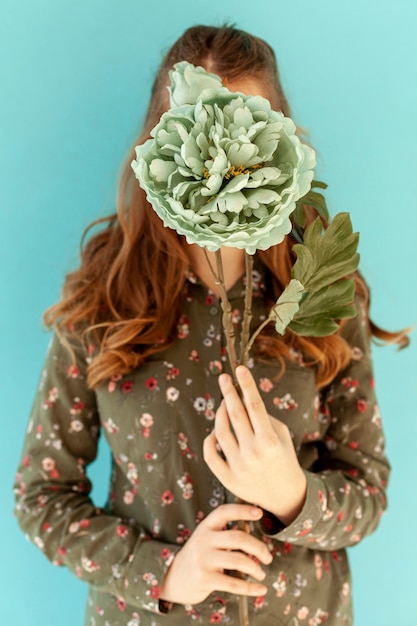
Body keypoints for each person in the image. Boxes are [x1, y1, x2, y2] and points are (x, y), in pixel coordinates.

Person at [14, 25, 408, 626]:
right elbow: (40, 496)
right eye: (197, 144)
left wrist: (291, 493)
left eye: (243, 144)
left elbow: (369, 495)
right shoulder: (101, 302)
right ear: (157, 151)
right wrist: (162, 570)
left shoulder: (324, 292)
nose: (220, 174)